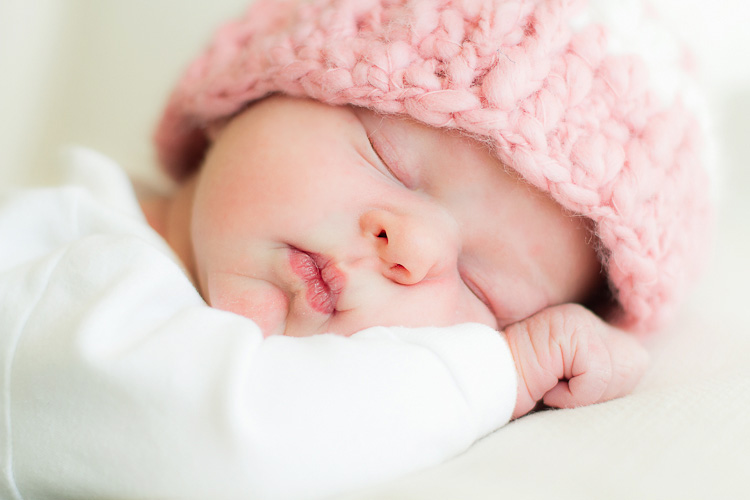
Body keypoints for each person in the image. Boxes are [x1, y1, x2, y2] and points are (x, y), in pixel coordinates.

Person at [0, 0, 711, 499]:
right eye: (389, 158)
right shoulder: (60, 267)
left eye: (483, 292)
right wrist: (508, 368)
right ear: (249, 96)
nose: (411, 248)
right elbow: (218, 438)